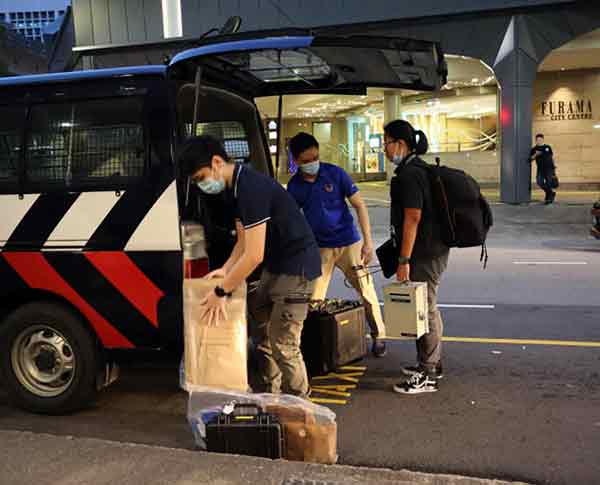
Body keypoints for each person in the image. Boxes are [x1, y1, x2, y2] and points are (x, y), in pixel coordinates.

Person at [179, 135, 321, 398]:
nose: (201, 185)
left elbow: (254, 255)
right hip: (276, 266)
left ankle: (303, 408)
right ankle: (272, 396)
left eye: (201, 178)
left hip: (298, 267)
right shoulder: (233, 188)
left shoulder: (250, 187)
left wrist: (221, 291)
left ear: (217, 162)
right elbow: (244, 241)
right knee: (263, 332)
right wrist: (227, 268)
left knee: (284, 343)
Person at [287, 132, 387, 358]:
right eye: (305, 161)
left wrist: (368, 243)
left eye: (315, 158)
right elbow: (292, 220)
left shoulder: (335, 174)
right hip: (320, 249)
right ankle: (312, 341)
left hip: (349, 243)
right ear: (295, 161)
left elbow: (360, 206)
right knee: (313, 298)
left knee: (366, 291)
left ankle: (379, 335)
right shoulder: (295, 186)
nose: (312, 164)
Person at [383, 120, 450, 395]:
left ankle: (428, 374)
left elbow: (413, 217)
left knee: (426, 308)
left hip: (423, 252)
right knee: (426, 306)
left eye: (385, 142)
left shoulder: (410, 175)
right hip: (431, 249)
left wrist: (403, 259)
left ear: (400, 144)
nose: (384, 148)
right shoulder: (417, 169)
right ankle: (431, 363)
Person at [529, 134, 556, 204]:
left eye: (540, 140)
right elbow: (530, 159)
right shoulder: (534, 149)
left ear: (543, 139)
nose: (539, 141)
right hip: (540, 169)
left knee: (548, 183)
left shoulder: (547, 147)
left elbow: (552, 157)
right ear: (535, 140)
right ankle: (551, 193)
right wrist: (536, 155)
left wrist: (554, 168)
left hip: (549, 168)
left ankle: (549, 198)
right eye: (537, 140)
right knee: (539, 182)